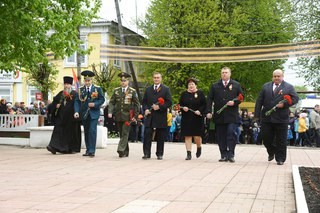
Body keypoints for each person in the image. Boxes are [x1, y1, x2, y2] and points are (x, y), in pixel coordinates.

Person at [254, 69, 298, 165]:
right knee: (265, 138)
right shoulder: (266, 86)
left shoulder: (289, 87)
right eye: (275, 76)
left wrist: (285, 104)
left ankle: (280, 158)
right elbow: (259, 101)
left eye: (278, 76)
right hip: (267, 117)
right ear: (272, 77)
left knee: (281, 139)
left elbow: (295, 99)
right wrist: (256, 116)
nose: (276, 78)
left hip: (281, 118)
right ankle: (271, 151)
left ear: (282, 76)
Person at [207, 67, 244, 163]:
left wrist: (234, 102)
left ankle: (231, 154)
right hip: (219, 114)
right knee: (220, 135)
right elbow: (210, 99)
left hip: (232, 115)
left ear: (230, 74)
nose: (224, 74)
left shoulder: (236, 85)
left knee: (231, 133)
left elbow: (241, 97)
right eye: (222, 72)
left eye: (226, 72)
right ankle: (223, 154)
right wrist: (209, 111)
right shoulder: (215, 85)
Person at [108, 72, 140, 158]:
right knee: (121, 134)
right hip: (118, 115)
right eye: (121, 80)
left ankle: (120, 149)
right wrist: (110, 112)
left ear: (128, 81)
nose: (123, 82)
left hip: (128, 116)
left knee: (125, 133)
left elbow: (137, 104)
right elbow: (111, 102)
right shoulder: (116, 91)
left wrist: (135, 116)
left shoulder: (132, 91)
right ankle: (126, 151)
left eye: (124, 80)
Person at [46, 76, 81, 154]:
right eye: (65, 84)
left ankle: (68, 149)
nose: (66, 86)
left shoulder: (75, 94)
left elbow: (77, 104)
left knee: (69, 134)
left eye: (68, 84)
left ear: (71, 85)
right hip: (61, 117)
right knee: (57, 131)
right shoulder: (61, 94)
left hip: (70, 118)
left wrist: (76, 112)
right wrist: (56, 106)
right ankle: (53, 147)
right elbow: (53, 103)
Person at [74, 70, 105, 157]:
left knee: (92, 131)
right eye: (86, 80)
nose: (87, 82)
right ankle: (88, 150)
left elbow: (102, 99)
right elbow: (77, 101)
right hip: (84, 114)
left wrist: (95, 104)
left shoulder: (97, 89)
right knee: (87, 131)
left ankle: (92, 150)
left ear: (91, 80)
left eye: (89, 80)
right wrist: (76, 111)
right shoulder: (81, 90)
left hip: (94, 113)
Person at [142, 72, 172, 160]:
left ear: (161, 79)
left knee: (160, 136)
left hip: (160, 116)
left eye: (158, 78)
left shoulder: (166, 89)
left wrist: (159, 107)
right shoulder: (148, 89)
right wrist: (146, 109)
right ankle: (146, 153)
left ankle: (159, 153)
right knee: (147, 134)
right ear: (152, 79)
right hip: (150, 116)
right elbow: (144, 102)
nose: (156, 79)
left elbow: (169, 102)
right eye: (155, 77)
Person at [179, 78, 207, 160]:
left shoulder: (200, 93)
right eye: (189, 85)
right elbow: (180, 104)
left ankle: (199, 147)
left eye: (192, 84)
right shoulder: (184, 94)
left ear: (195, 85)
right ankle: (188, 153)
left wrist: (200, 110)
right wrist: (183, 108)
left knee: (197, 136)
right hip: (186, 117)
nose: (191, 86)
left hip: (197, 118)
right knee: (187, 135)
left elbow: (204, 104)